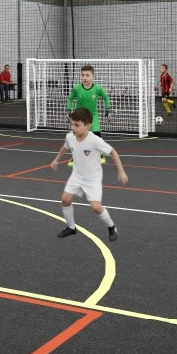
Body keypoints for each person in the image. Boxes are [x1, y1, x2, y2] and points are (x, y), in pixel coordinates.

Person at [49, 108, 128, 241]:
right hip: (77, 175)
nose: (73, 128)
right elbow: (65, 147)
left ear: (88, 126)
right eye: (71, 124)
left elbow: (113, 152)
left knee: (96, 207)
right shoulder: (70, 137)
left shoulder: (95, 140)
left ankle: (111, 226)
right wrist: (56, 160)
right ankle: (71, 228)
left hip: (93, 178)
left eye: (77, 125)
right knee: (65, 200)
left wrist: (121, 171)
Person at [68, 64, 109, 139]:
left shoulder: (97, 89)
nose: (84, 77)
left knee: (97, 136)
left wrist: (108, 108)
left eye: (87, 75)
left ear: (93, 76)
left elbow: (106, 97)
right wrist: (69, 110)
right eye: (82, 75)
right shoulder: (76, 88)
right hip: (79, 116)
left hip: (93, 115)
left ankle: (100, 151)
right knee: (78, 138)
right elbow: (70, 99)